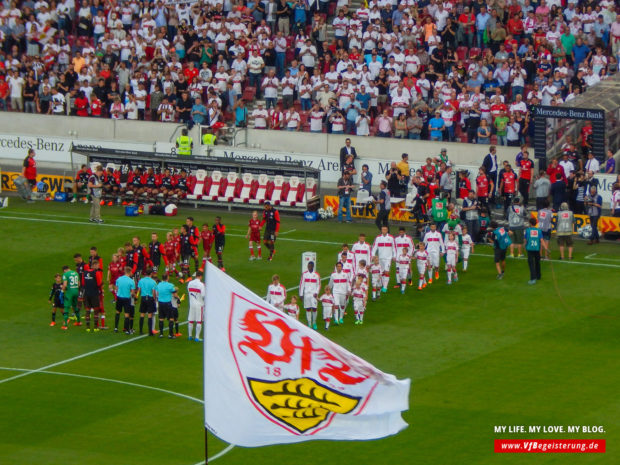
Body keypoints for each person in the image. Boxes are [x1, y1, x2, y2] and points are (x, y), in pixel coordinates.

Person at [372, 226, 396, 293]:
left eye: (385, 229)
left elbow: (394, 247)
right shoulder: (378, 238)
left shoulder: (391, 237)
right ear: (381, 230)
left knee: (386, 272)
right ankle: (383, 284)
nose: (384, 230)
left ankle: (385, 287)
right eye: (383, 229)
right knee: (381, 272)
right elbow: (374, 247)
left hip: (388, 258)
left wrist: (394, 256)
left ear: (387, 230)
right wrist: (373, 255)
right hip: (380, 258)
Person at [82, 259, 104, 332]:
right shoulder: (96, 273)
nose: (98, 266)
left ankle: (87, 327)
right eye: (98, 265)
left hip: (86, 294)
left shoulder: (84, 273)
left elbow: (83, 284)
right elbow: (99, 284)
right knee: (96, 310)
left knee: (87, 310)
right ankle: (95, 327)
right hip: (94, 294)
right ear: (94, 265)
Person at [299, 261, 321, 329]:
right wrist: (301, 294)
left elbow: (319, 285)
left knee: (314, 308)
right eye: (308, 266)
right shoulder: (304, 274)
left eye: (310, 266)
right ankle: (309, 323)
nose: (309, 267)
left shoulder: (316, 275)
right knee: (308, 308)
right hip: (306, 294)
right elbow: (301, 284)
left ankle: (314, 323)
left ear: (312, 266)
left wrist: (316, 292)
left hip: (313, 294)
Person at [156, 273, 178, 339]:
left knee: (161, 318)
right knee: (171, 318)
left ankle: (161, 334)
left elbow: (157, 293)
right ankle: (170, 334)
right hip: (168, 303)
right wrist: (176, 289)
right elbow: (174, 292)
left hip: (160, 303)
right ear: (167, 278)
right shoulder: (170, 285)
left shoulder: (159, 285)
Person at [114, 266, 135, 334]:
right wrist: (133, 296)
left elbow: (116, 289)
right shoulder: (131, 281)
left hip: (119, 297)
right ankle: (126, 330)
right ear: (130, 272)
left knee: (118, 312)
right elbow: (132, 292)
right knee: (126, 314)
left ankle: (116, 328)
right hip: (126, 298)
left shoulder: (119, 279)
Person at [137, 269, 158, 335]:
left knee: (142, 314)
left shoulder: (141, 280)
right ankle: (150, 332)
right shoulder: (153, 282)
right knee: (150, 315)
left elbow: (139, 290)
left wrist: (137, 297)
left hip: (143, 298)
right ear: (151, 274)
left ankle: (140, 330)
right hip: (150, 298)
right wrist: (154, 299)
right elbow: (153, 292)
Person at [61, 265, 82, 330]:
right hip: (76, 291)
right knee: (75, 306)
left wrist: (62, 291)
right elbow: (79, 284)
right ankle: (78, 321)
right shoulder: (76, 273)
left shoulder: (65, 274)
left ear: (64, 270)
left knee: (66, 307)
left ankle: (65, 325)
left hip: (69, 292)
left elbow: (64, 284)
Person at [187, 270, 205, 342]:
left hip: (191, 303)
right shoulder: (201, 285)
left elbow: (189, 291)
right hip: (199, 304)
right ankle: (197, 337)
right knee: (199, 321)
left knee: (191, 320)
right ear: (200, 276)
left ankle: (190, 336)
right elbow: (203, 295)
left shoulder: (190, 283)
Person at [524, 218, 542, 285]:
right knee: (537, 262)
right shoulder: (539, 231)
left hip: (530, 249)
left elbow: (525, 240)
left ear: (530, 223)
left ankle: (533, 279)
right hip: (537, 249)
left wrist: (524, 246)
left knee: (531, 264)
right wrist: (546, 249)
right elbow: (542, 240)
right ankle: (538, 276)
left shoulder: (528, 230)